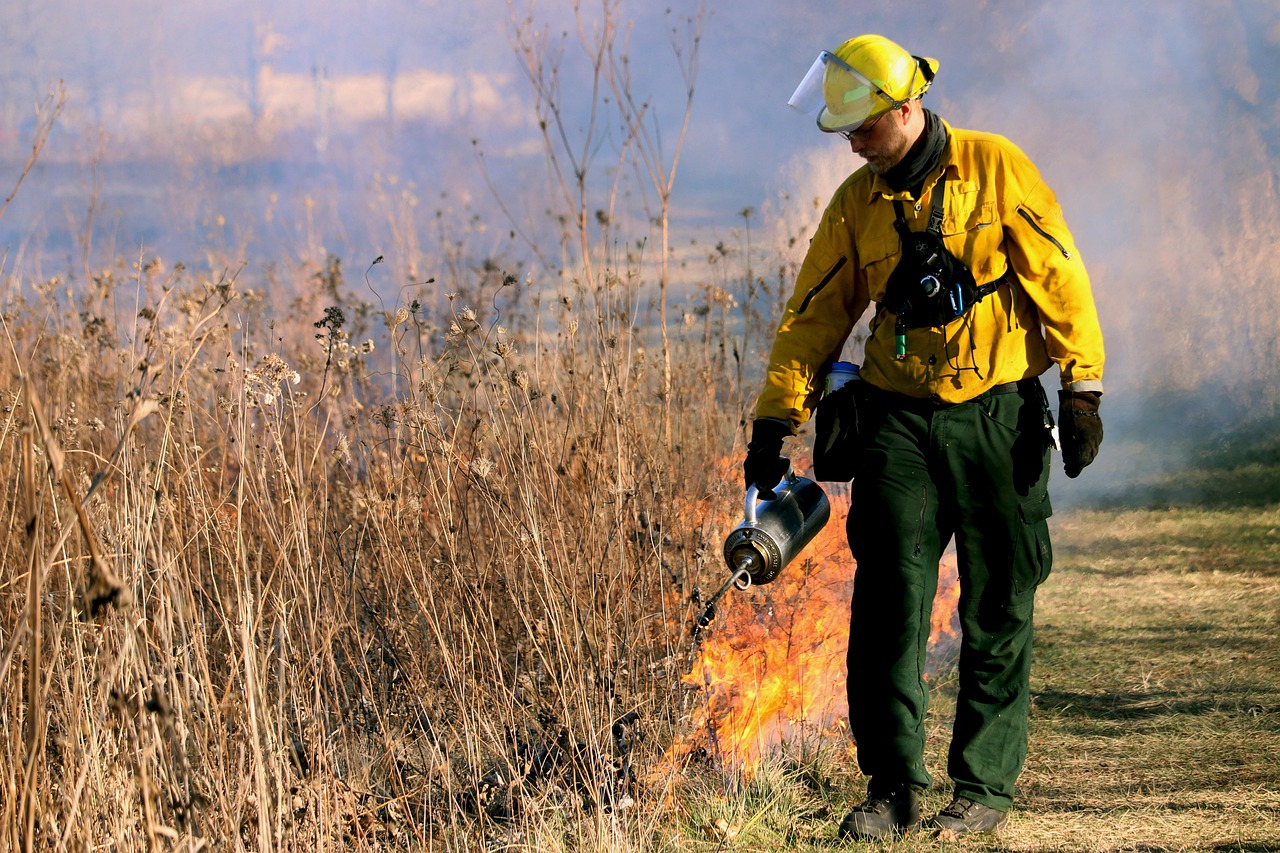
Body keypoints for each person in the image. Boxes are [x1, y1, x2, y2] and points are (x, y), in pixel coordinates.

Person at [742, 34, 1105, 840]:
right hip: (897, 420)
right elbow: (814, 315)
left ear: (907, 108)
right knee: (888, 604)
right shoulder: (856, 204)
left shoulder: (997, 168)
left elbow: (1060, 275)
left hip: (997, 415)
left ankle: (982, 790)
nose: (853, 144)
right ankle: (893, 787)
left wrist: (1082, 388)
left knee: (998, 601)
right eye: (846, 131)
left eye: (865, 127)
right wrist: (775, 419)